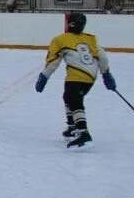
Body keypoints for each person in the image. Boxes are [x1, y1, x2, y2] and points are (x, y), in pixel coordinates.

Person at [35, 12, 116, 148]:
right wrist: (106, 74)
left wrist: (44, 77)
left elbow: (53, 62)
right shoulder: (91, 38)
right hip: (91, 76)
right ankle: (72, 127)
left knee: (74, 101)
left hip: (76, 76)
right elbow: (103, 58)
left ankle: (83, 132)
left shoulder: (60, 39)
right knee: (68, 97)